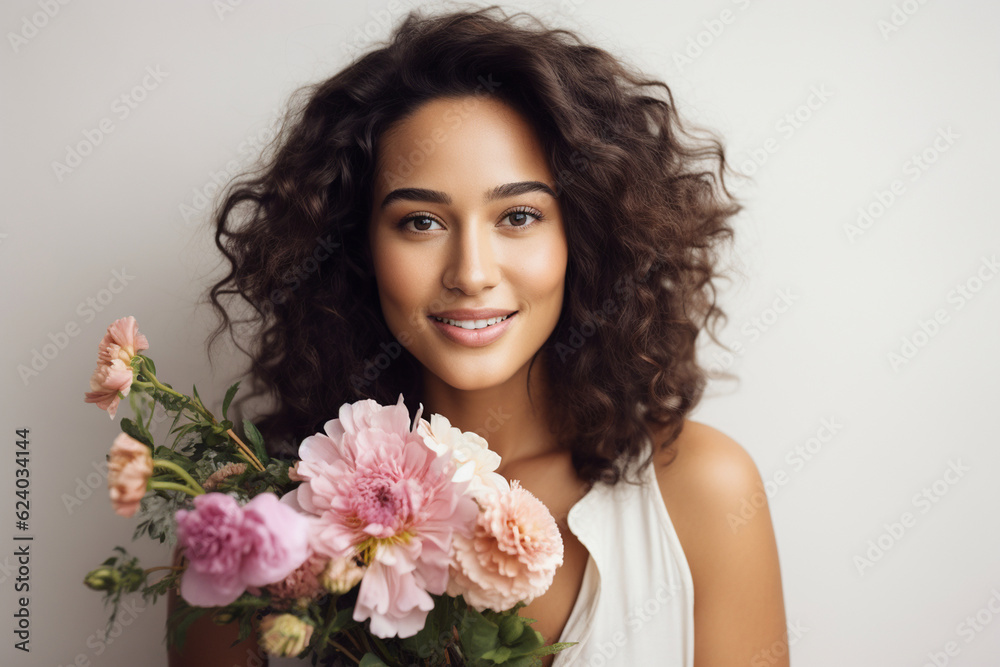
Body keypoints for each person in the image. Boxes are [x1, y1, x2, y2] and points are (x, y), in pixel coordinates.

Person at [168, 5, 788, 666]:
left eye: (518, 216)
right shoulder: (249, 532)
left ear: (584, 234)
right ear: (355, 247)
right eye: (421, 222)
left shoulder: (703, 490)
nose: (470, 273)